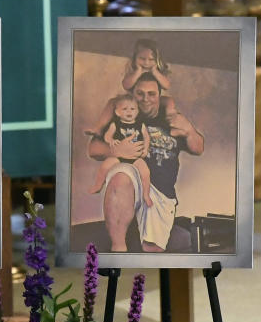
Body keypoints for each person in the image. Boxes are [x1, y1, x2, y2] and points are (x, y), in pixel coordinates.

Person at [88, 72, 204, 252]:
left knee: (152, 248)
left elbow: (198, 148)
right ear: (133, 95)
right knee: (121, 174)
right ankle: (118, 248)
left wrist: (189, 130)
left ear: (160, 95)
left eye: (151, 94)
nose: (145, 99)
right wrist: (115, 150)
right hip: (131, 174)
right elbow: (93, 148)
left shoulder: (171, 119)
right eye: (140, 94)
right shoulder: (124, 117)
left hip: (160, 192)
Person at [87, 93, 153, 208]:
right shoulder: (115, 124)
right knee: (105, 165)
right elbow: (107, 136)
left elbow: (146, 137)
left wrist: (146, 149)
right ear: (117, 112)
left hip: (135, 158)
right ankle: (98, 185)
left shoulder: (140, 125)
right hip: (119, 157)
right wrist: (111, 140)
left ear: (137, 112)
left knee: (145, 172)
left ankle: (146, 195)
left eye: (132, 109)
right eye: (125, 109)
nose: (129, 112)